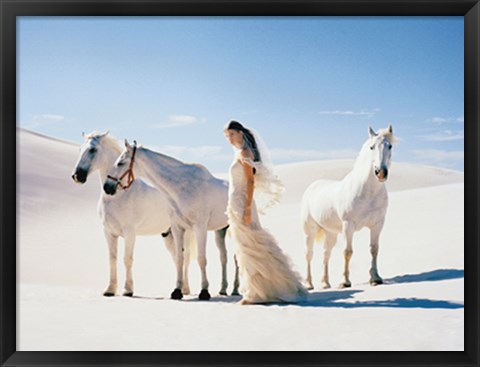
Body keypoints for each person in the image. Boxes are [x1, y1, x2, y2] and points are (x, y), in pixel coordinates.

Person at [224, 120, 308, 305]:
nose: (229, 139)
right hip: (235, 203)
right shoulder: (239, 153)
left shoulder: (245, 153)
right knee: (244, 246)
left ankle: (255, 293)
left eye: (231, 134)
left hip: (242, 202)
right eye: (226, 136)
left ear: (240, 133)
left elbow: (250, 182)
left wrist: (246, 209)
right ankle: (256, 290)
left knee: (251, 246)